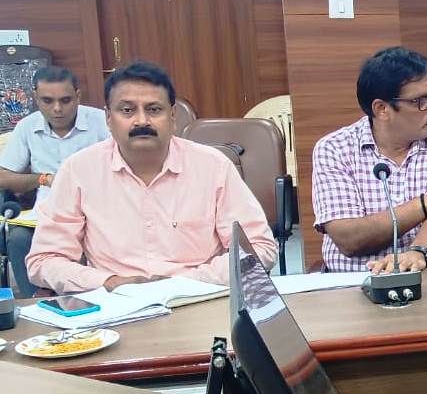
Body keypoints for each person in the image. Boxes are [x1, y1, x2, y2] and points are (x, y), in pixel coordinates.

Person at [26, 61, 277, 294]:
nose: (142, 121)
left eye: (154, 110)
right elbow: (44, 260)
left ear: (173, 116)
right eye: (127, 110)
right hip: (116, 304)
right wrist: (108, 282)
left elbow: (259, 248)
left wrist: (185, 282)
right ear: (108, 118)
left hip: (198, 298)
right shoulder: (79, 171)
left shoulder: (213, 166)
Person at [312, 47, 427, 274]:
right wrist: (423, 205)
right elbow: (349, 238)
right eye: (420, 101)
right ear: (382, 109)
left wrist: (418, 253)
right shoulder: (335, 149)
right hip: (359, 281)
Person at [0, 66, 110, 296]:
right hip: (48, 209)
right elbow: (3, 176)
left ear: (78, 96)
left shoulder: (102, 121)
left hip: (98, 206)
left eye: (65, 100)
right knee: (18, 239)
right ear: (35, 98)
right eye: (48, 101)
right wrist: (44, 178)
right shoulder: (27, 126)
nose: (57, 109)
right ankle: (35, 303)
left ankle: (100, 297)